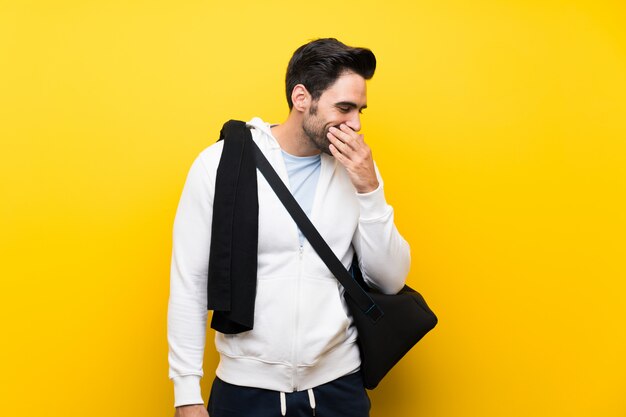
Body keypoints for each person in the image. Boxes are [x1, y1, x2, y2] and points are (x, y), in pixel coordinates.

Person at [168, 38, 411, 417]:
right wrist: (186, 392)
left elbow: (390, 280)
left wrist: (369, 189)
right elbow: (190, 281)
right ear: (302, 98)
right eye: (344, 108)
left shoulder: (357, 171)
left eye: (360, 110)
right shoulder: (218, 164)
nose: (356, 124)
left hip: (338, 388)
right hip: (245, 391)